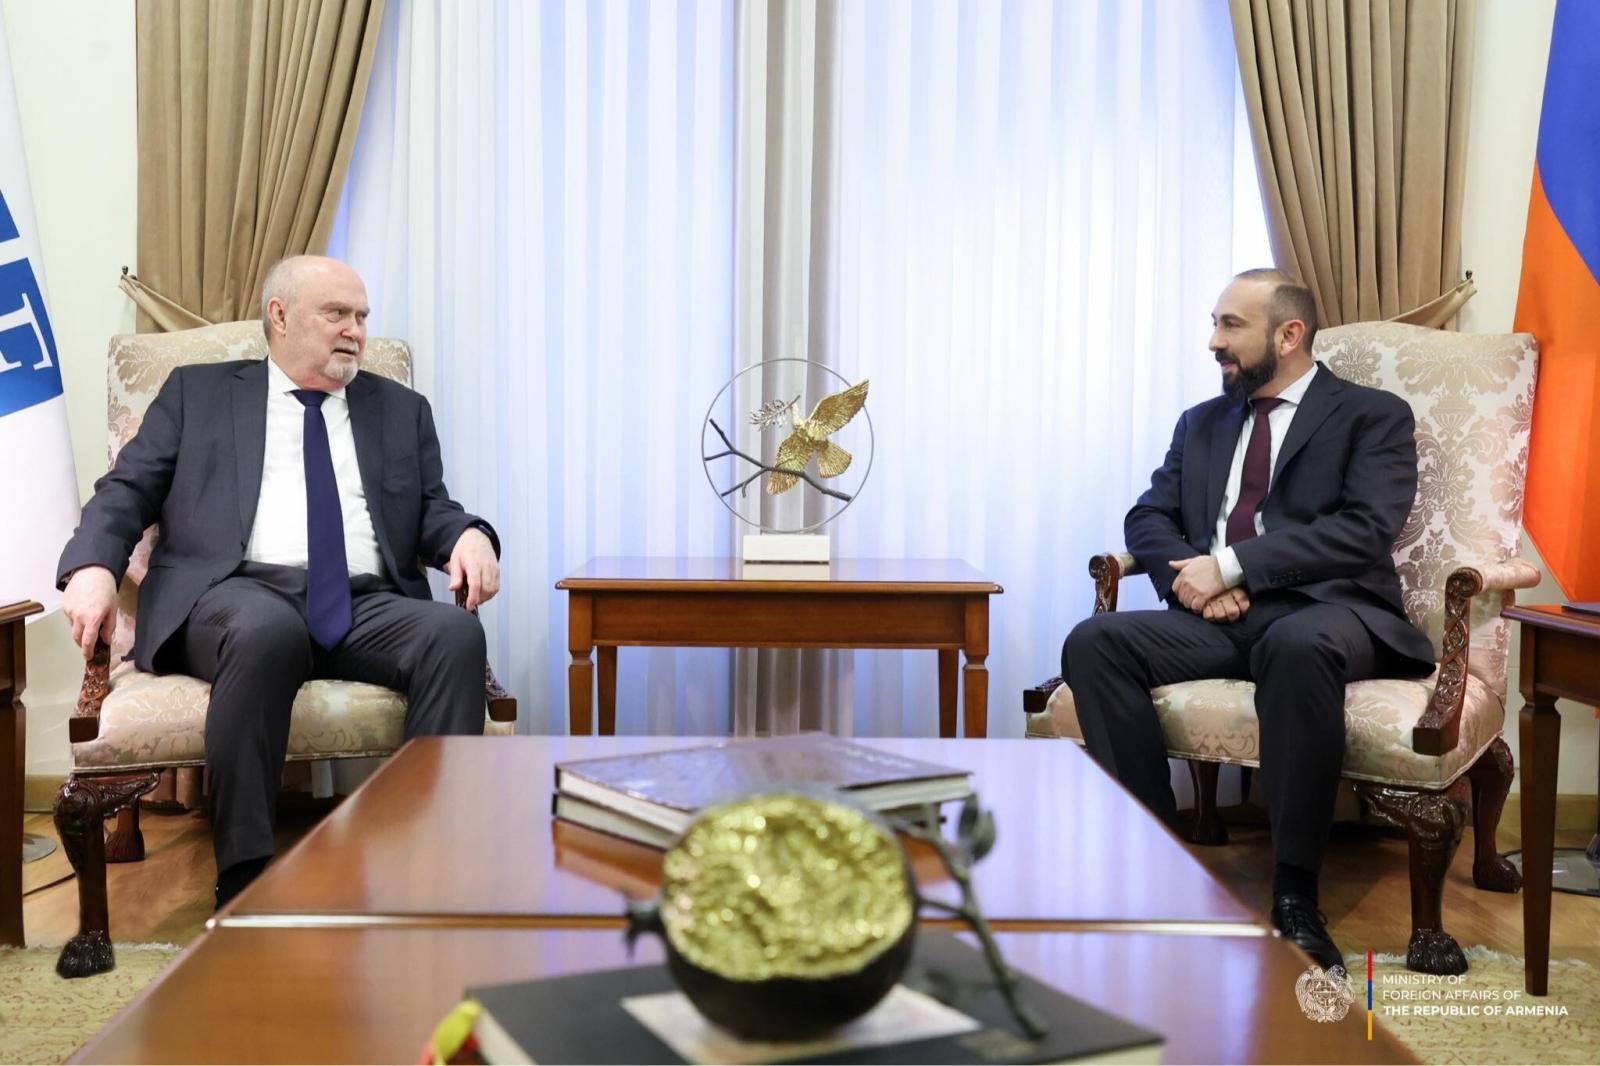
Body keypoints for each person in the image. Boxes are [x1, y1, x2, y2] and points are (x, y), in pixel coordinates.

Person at [57, 256, 501, 907]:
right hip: (232, 596)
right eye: (337, 313)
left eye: (362, 317)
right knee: (267, 631)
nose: (356, 330)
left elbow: (433, 509)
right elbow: (125, 491)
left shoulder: (400, 410)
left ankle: (423, 869)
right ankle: (245, 880)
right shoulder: (198, 394)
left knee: (453, 634)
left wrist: (469, 536)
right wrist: (94, 566)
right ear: (281, 316)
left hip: (363, 602)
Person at [1061, 268, 1434, 972]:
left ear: (1289, 335)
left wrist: (1233, 566)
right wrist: (1197, 585)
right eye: (1215, 323)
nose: (1214, 341)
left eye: (1230, 325)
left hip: (1330, 612)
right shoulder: (1202, 423)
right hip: (1221, 620)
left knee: (1296, 645)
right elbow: (1148, 517)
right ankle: (1161, 868)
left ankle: (1295, 896)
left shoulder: (1372, 416)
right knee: (1095, 642)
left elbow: (1364, 529)